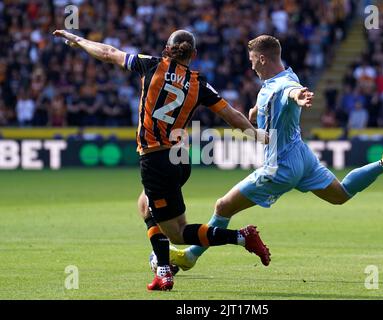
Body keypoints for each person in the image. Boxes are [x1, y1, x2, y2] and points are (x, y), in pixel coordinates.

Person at [52, 29, 300, 291]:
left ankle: (240, 238)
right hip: (180, 158)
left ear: (166, 49)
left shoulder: (150, 65)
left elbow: (109, 53)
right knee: (145, 205)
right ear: (193, 55)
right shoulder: (199, 83)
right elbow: (232, 115)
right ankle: (163, 268)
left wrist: (79, 41)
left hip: (156, 160)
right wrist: (260, 136)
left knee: (178, 233)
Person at [159, 34, 383, 272]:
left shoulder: (283, 86)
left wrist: (299, 97)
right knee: (341, 194)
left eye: (253, 60)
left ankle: (191, 256)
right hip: (303, 157)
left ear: (262, 59)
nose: (251, 66)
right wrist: (255, 112)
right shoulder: (285, 75)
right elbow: (278, 92)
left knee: (222, 206)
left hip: (280, 167)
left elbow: (290, 93)